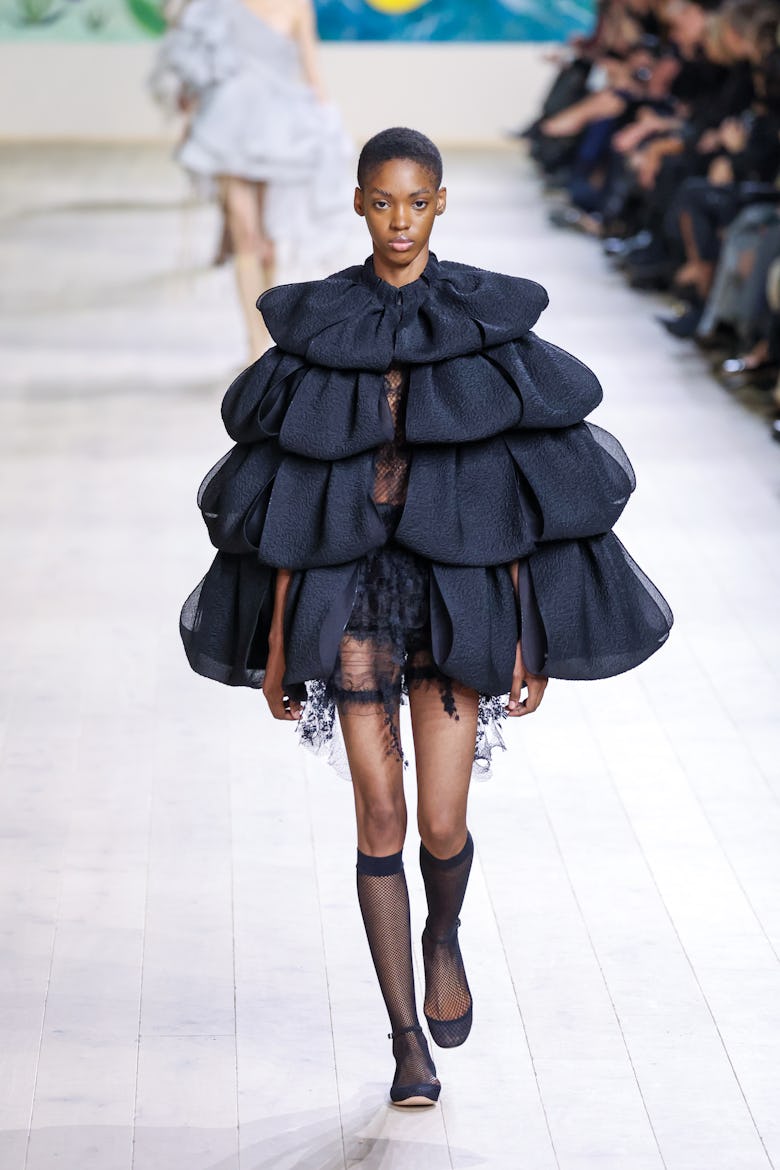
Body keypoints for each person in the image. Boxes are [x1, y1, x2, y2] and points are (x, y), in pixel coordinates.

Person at [180, 128, 673, 1107]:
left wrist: (528, 635)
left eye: (416, 202)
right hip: (353, 591)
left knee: (443, 823)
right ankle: (407, 1039)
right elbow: (283, 497)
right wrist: (280, 648)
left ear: (440, 204)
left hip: (461, 589)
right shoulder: (323, 329)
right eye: (381, 202)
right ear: (359, 204)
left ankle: (442, 929)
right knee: (382, 817)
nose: (398, 222)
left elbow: (524, 483)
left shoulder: (484, 326)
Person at [150, 0, 351, 359]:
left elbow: (311, 72)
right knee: (246, 236)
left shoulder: (298, 7)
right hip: (229, 121)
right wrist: (190, 101)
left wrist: (327, 128)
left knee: (267, 241)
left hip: (277, 127)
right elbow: (196, 53)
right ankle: (253, 345)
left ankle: (265, 332)